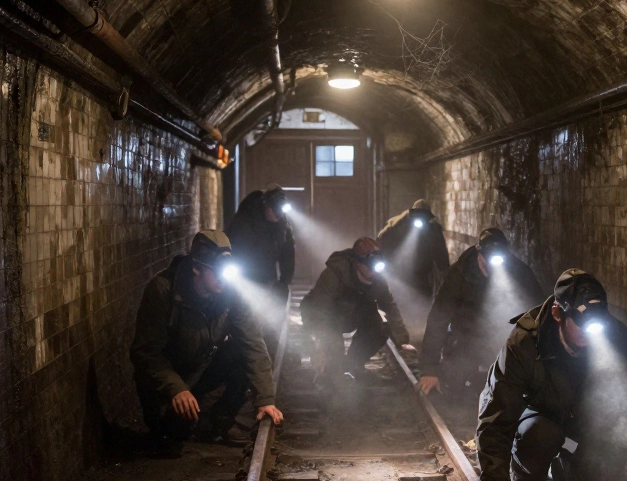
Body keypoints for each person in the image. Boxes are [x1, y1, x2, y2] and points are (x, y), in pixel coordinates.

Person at [476, 269, 627, 481]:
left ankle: (569, 470)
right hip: (539, 415)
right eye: (580, 323)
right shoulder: (524, 343)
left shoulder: (616, 338)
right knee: (542, 434)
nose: (589, 332)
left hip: (585, 420)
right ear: (557, 314)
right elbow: (497, 415)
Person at [131, 231, 284, 456]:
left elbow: (253, 343)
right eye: (217, 272)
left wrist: (266, 399)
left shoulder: (230, 292)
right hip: (165, 383)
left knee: (239, 352)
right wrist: (177, 388)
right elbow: (145, 353)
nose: (224, 279)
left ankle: (219, 421)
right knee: (170, 439)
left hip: (200, 369)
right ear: (197, 269)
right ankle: (172, 422)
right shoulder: (163, 290)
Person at [419, 228, 546, 397]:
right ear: (479, 254)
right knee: (454, 382)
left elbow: (539, 313)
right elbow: (438, 319)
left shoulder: (520, 273)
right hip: (466, 338)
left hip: (502, 339)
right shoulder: (459, 274)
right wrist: (429, 369)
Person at [301, 237, 416, 385]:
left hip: (350, 314)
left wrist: (402, 341)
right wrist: (319, 344)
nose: (373, 272)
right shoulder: (335, 274)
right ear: (357, 263)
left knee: (380, 326)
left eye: (375, 267)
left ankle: (352, 365)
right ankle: (333, 370)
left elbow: (389, 305)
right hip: (323, 314)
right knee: (332, 352)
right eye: (369, 266)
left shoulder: (377, 280)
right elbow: (319, 309)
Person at [227, 184, 296, 356]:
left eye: (281, 213)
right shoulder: (245, 220)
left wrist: (285, 280)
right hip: (246, 276)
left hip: (267, 276)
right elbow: (234, 247)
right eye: (275, 211)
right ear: (266, 205)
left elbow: (287, 251)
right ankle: (240, 351)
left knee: (269, 315)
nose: (278, 216)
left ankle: (267, 350)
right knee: (245, 315)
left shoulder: (282, 224)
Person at [376, 199, 450, 299]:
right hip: (402, 273)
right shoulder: (399, 225)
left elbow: (441, 253)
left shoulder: (433, 230)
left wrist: (445, 274)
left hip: (423, 274)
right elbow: (383, 240)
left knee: (423, 300)